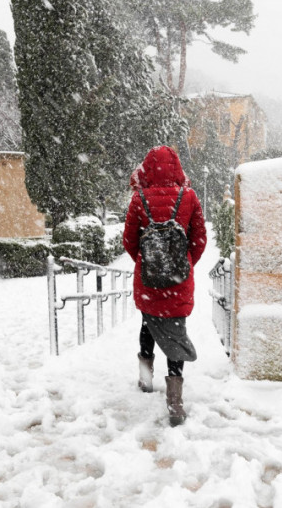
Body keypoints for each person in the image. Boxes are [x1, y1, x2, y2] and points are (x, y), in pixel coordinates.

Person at [122, 146, 207, 426]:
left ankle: (146, 380)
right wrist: (181, 264)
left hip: (148, 282)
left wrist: (148, 262)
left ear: (147, 168)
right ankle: (174, 400)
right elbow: (199, 239)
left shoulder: (139, 199)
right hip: (178, 282)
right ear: (177, 168)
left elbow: (129, 241)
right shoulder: (189, 196)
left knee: (148, 325)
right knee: (176, 334)